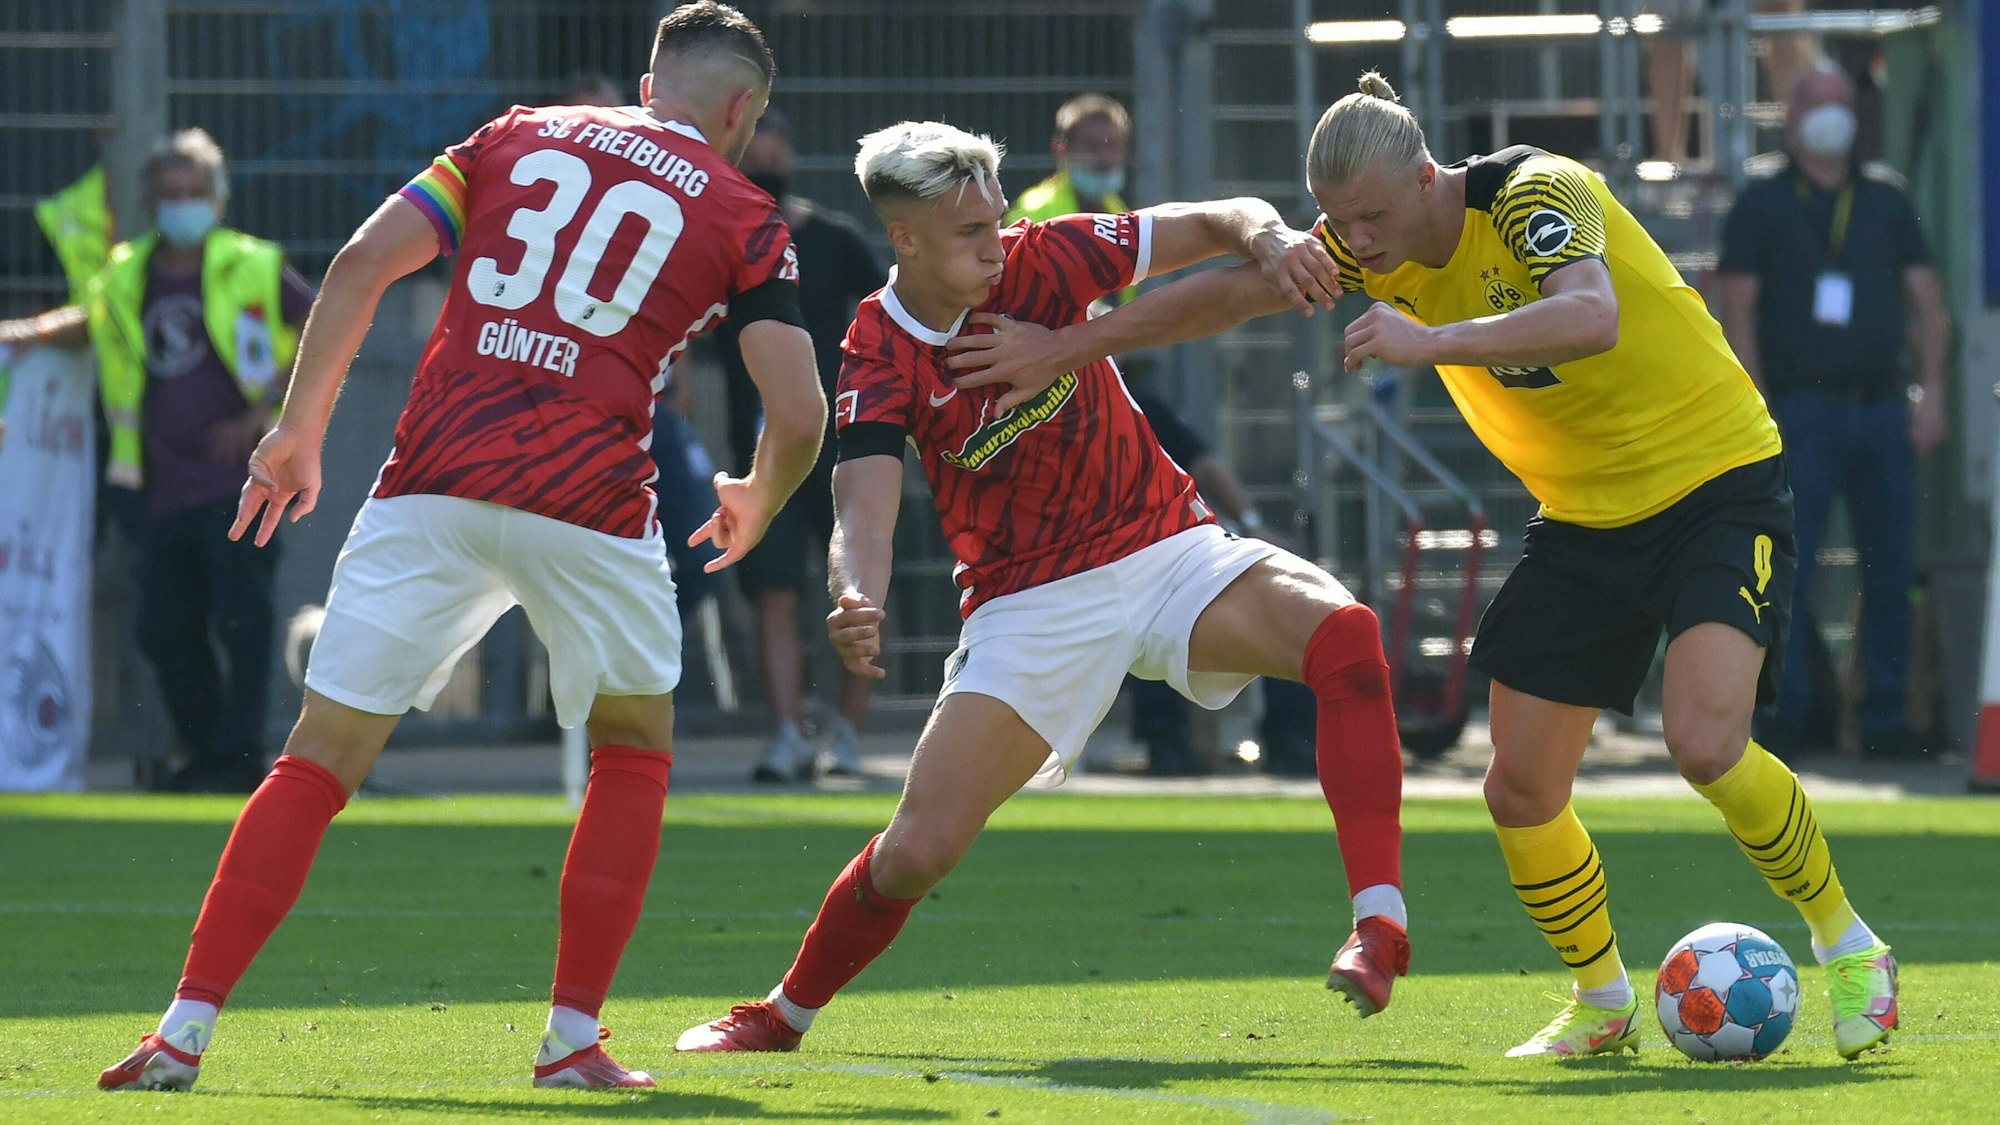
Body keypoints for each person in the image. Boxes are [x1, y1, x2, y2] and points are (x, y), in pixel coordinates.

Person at [947, 73, 1899, 1062]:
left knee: (1703, 743)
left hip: (1714, 479)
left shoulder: (1535, 192)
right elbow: (1228, 297)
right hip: (1585, 515)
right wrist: (1068, 347)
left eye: (1371, 217)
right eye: (1337, 221)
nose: (1355, 241)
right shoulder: (1364, 247)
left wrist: (1427, 340)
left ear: (1425, 176)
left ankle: (1851, 948)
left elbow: (1590, 314)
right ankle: (1602, 1001)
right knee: (1518, 789)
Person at [98, 2, 825, 1093]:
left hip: (437, 473)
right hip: (587, 493)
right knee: (632, 749)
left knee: (315, 759)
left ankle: (181, 1030)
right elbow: (800, 409)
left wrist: (297, 434)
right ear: (739, 112)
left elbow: (359, 263)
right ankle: (570, 1039)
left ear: (647, 84)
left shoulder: (514, 132)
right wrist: (759, 497)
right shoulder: (742, 209)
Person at [672, 120, 1410, 1056]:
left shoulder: (1043, 255)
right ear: (905, 239)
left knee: (1344, 633)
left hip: (1166, 546)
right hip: (1030, 606)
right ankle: (783, 1013)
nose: (996, 245)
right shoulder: (877, 347)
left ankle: (1379, 925)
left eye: (995, 220)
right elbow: (864, 511)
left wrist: (1268, 236)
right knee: (915, 852)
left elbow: (1222, 219)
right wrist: (856, 594)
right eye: (970, 232)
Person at [1716, 62, 1950, 761]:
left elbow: (1928, 306)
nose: (1833, 115)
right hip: (1799, 412)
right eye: (1819, 102)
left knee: (1892, 570)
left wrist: (1932, 393)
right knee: (1789, 570)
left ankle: (1884, 719)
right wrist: (1761, 409)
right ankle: (1787, 715)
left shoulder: (1886, 198)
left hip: (1881, 410)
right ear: (1792, 117)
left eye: (1842, 102)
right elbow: (1736, 309)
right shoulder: (1762, 201)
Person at [82, 129, 315, 794]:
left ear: (217, 198)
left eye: (194, 191)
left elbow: (323, 325)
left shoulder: (252, 263)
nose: (182, 203)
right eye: (170, 193)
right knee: (162, 628)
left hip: (243, 482)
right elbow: (88, 327)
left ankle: (237, 758)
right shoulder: (124, 275)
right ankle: (212, 752)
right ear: (150, 202)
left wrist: (267, 409)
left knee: (243, 623)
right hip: (155, 485)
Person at [715, 110, 888, 780]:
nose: (767, 161)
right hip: (761, 452)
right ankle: (788, 735)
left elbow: (890, 317)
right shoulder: (719, 244)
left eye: (776, 150)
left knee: (859, 584)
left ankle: (847, 734)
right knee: (775, 592)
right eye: (754, 152)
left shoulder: (835, 240)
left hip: (846, 444)